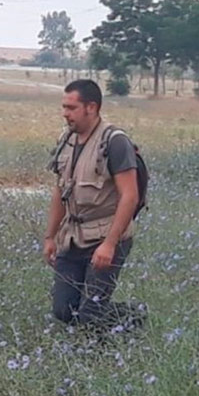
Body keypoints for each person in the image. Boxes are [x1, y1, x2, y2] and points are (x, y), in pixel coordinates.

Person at [43, 79, 143, 332]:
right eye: (64, 107)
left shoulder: (115, 142)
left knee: (90, 316)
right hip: (73, 237)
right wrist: (50, 236)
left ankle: (125, 327)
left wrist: (110, 244)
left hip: (106, 236)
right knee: (64, 310)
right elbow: (60, 191)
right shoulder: (66, 140)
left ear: (91, 107)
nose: (65, 113)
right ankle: (126, 316)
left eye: (71, 108)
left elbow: (130, 196)